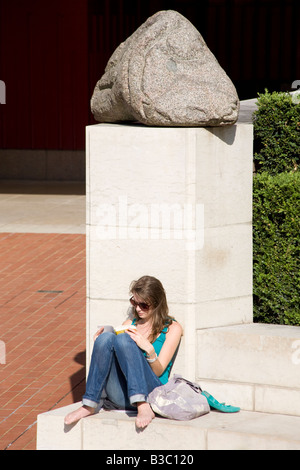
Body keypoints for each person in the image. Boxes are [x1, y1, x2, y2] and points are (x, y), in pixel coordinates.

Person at [64, 275, 182, 429]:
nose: (138, 309)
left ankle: (142, 404)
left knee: (123, 340)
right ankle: (90, 405)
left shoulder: (171, 328)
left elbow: (159, 372)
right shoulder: (129, 324)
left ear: (157, 303)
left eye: (144, 305)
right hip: (123, 394)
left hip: (152, 393)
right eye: (134, 302)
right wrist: (100, 344)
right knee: (106, 338)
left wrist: (148, 349)